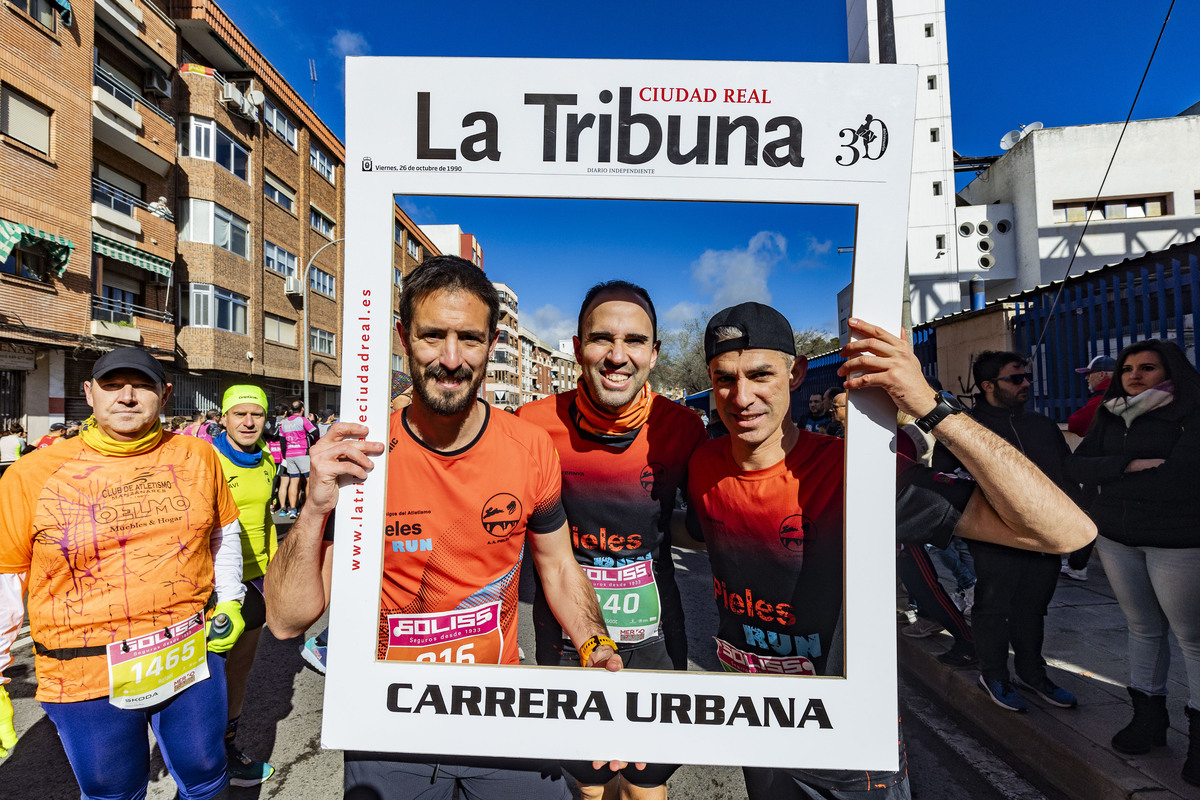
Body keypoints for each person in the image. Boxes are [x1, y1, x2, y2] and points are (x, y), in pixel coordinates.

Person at [686, 304, 1095, 800]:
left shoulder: (855, 473)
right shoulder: (704, 463)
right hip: (755, 725)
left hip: (851, 740)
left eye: (759, 375)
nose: (741, 396)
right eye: (724, 378)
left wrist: (930, 405)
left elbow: (1066, 532)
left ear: (795, 375)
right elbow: (698, 533)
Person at [266, 256, 624, 799]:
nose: (452, 360)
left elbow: (556, 566)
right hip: (389, 725)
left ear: (492, 341)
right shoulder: (364, 459)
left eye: (470, 339)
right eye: (433, 336)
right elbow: (287, 621)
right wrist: (314, 509)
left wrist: (594, 643)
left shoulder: (528, 449)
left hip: (500, 716)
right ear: (403, 337)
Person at [0, 347, 245, 800]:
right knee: (112, 790)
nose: (127, 397)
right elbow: (6, 577)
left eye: (142, 385)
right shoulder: (30, 474)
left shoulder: (198, 455)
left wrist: (232, 598)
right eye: (112, 385)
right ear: (89, 393)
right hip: (84, 668)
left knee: (207, 772)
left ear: (165, 394)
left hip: (188, 650)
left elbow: (223, 532)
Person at [519, 280, 707, 800]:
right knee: (590, 782)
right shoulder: (531, 426)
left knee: (647, 783)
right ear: (578, 348)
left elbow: (699, 525)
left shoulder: (684, 428)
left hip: (656, 640)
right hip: (565, 641)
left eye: (635, 341)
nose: (617, 356)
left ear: (654, 353)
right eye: (602, 339)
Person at [1065, 339, 1200, 786]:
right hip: (1118, 537)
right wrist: (1132, 465)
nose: (1135, 375)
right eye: (1128, 368)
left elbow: (1182, 479)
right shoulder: (1112, 413)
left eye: (1147, 367)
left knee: (1192, 638)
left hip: (1177, 540)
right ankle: (1148, 719)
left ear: (1171, 372)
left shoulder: (1190, 412)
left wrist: (1115, 473)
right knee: (1142, 628)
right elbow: (1079, 467)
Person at [935, 352, 1080, 713]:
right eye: (1015, 378)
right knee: (993, 607)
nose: (1026, 384)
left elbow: (1066, 476)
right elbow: (945, 479)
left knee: (1033, 608)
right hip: (994, 538)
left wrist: (1079, 532)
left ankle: (1033, 673)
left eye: (1026, 377)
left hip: (1044, 535)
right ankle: (994, 674)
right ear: (987, 386)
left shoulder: (1042, 425)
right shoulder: (965, 427)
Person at [211, 385, 278, 787]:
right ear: (224, 418)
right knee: (205, 674)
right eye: (240, 414)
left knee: (240, 671)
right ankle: (199, 755)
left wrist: (273, 573)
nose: (249, 422)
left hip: (254, 582)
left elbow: (267, 520)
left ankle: (228, 751)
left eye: (256, 414)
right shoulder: (207, 460)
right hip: (214, 586)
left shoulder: (268, 460)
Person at [1062, 354, 1115, 582]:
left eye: (1089, 375)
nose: (1087, 380)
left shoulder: (1105, 399)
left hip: (1104, 468)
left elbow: (1077, 424)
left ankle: (1077, 565)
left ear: (1102, 375)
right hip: (1128, 468)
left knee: (1087, 515)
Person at [276, 401, 316, 519]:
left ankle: (292, 509)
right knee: (309, 480)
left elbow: (282, 441)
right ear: (302, 409)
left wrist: (285, 455)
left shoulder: (285, 422)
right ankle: (308, 507)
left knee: (293, 481)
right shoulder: (303, 420)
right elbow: (315, 432)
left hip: (289, 454)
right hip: (302, 452)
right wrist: (312, 421)